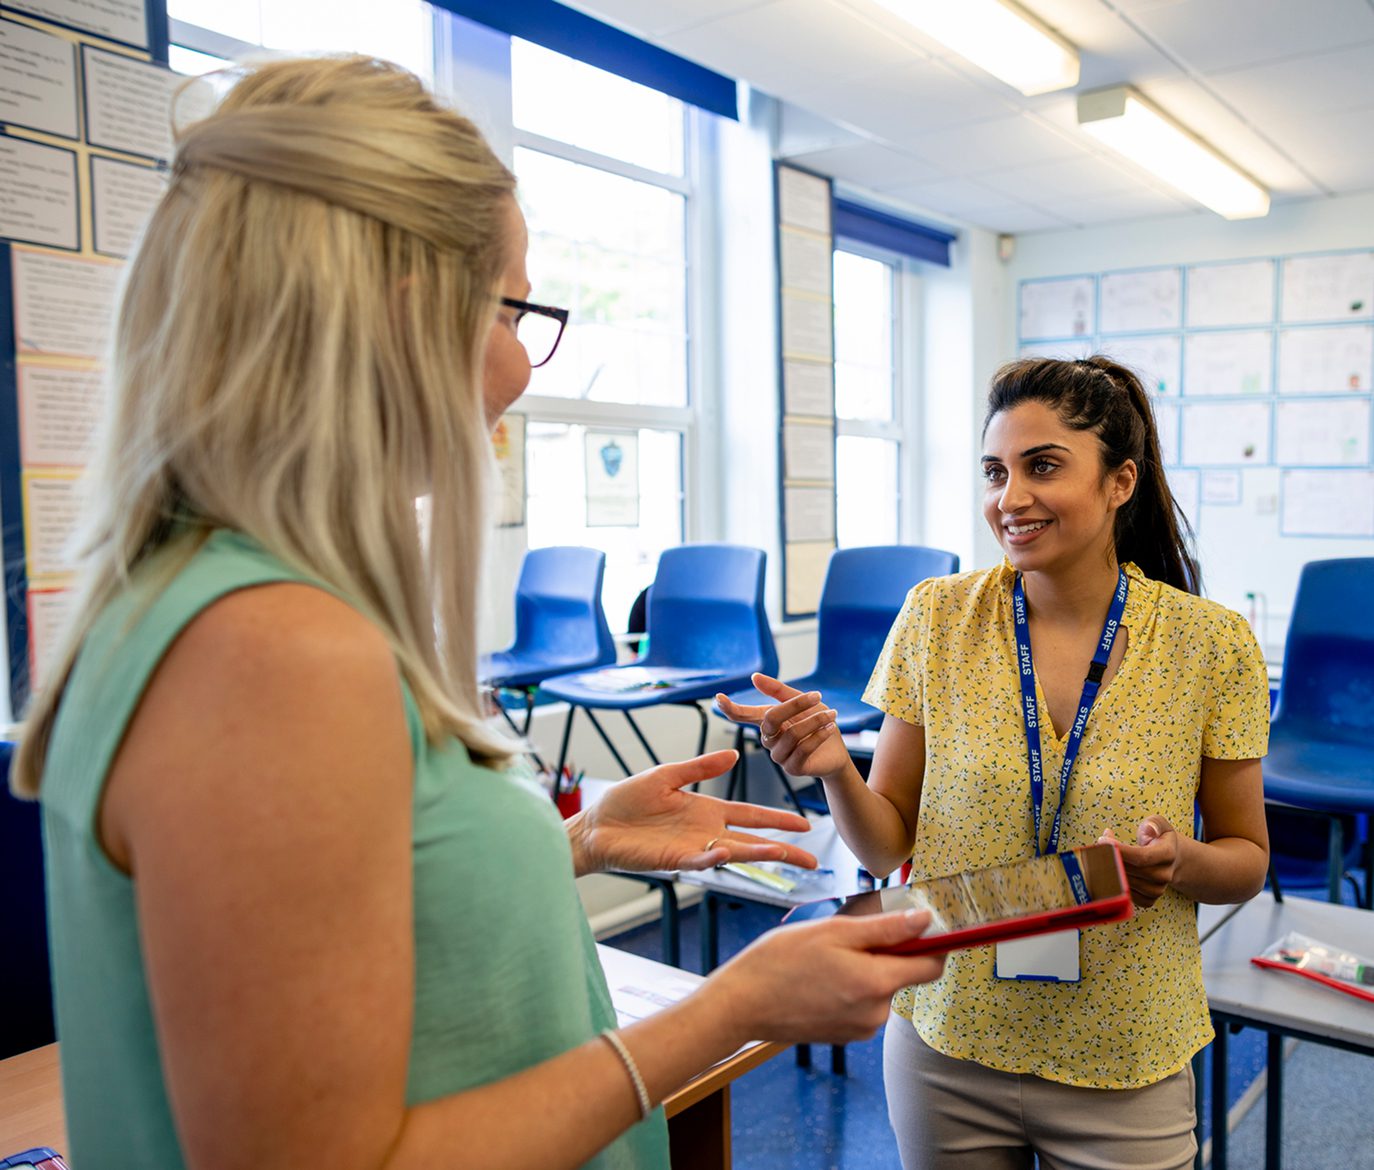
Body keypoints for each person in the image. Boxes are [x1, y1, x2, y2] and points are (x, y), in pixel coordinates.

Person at [11, 57, 948, 1170]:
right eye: (515, 306)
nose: (520, 361)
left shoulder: (204, 601)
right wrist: (728, 1006)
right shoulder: (270, 652)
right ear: (407, 312)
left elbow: (338, 935)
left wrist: (578, 841)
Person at [720, 355, 1271, 1170]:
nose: (1009, 499)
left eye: (1042, 467)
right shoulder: (937, 616)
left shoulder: (1208, 642)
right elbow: (883, 847)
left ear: (1120, 482)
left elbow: (1247, 858)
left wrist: (1180, 859)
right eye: (995, 472)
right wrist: (836, 768)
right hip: (949, 1034)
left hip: (1124, 1050)